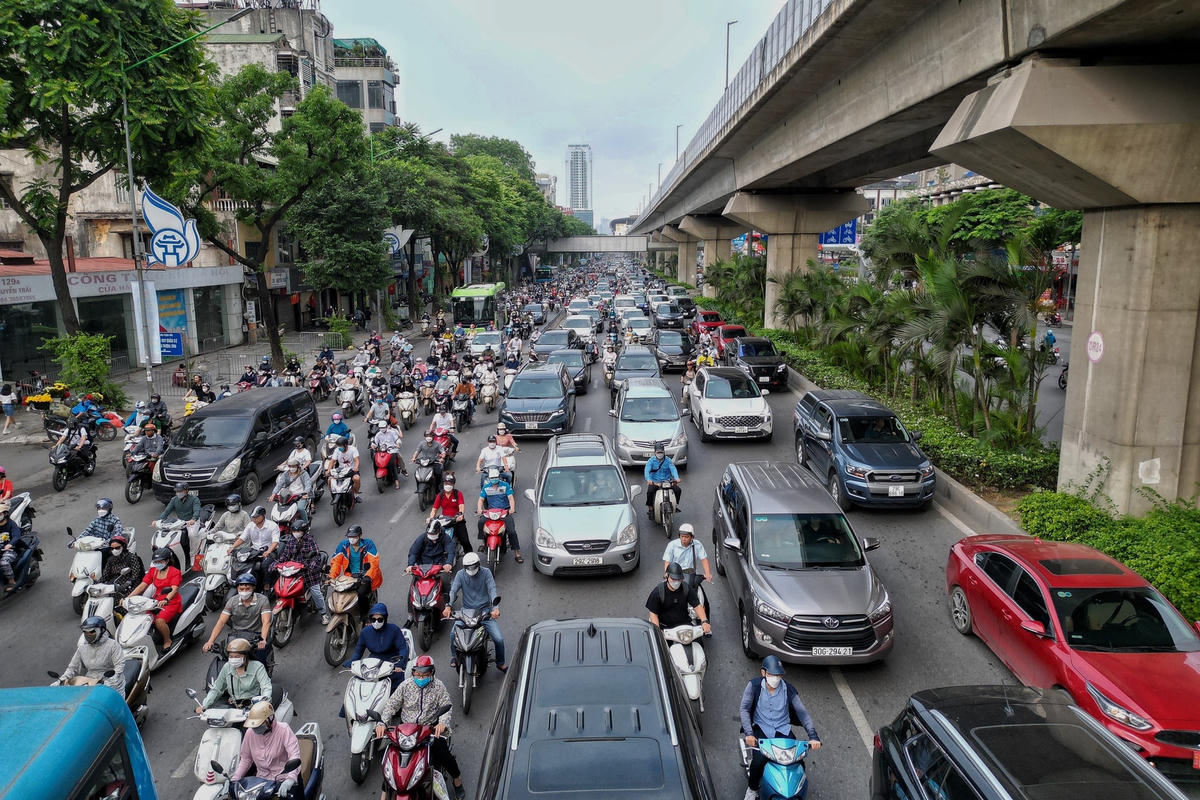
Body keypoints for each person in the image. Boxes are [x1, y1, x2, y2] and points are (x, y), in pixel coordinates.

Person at [375, 655, 466, 800]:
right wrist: (382, 723)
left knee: (443, 754)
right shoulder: (406, 685)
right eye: (417, 674)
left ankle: (457, 779)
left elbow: (446, 706)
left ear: (432, 673)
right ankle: (385, 791)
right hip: (406, 731)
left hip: (428, 730)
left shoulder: (438, 686)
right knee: (391, 762)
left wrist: (442, 723)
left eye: (424, 674)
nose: (421, 677)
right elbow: (391, 705)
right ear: (413, 672)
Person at [739, 655, 822, 800]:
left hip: (783, 730)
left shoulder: (788, 689)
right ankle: (752, 789)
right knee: (758, 761)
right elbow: (744, 709)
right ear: (763, 673)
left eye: (778, 675)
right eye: (772, 674)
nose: (776, 678)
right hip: (762, 730)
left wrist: (813, 736)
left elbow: (802, 713)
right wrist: (749, 734)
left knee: (799, 762)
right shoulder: (754, 686)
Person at [443, 552, 505, 672]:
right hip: (466, 611)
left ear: (478, 565)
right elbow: (453, 591)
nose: (471, 570)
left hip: (484, 611)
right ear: (464, 567)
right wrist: (448, 606)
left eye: (473, 567)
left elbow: (492, 589)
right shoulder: (460, 575)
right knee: (453, 634)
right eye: (468, 567)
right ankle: (454, 657)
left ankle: (500, 662)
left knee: (498, 639)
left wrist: (495, 608)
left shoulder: (486, 573)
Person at [230, 701, 302, 799]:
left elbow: (294, 755)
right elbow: (246, 759)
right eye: (253, 726)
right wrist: (235, 779)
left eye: (259, 725)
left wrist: (291, 778)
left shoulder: (284, 730)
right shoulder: (250, 733)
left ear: (270, 719)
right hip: (261, 783)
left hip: (283, 780)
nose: (255, 729)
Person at [204, 573, 273, 666]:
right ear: (237, 589)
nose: (244, 591)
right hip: (237, 636)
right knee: (227, 659)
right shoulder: (232, 601)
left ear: (253, 588)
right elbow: (221, 622)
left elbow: (266, 622)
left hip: (257, 636)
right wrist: (210, 641)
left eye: (247, 589)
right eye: (241, 589)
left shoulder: (263, 600)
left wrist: (263, 640)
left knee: (260, 663)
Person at [272, 520, 329, 625]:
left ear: (303, 531)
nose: (296, 532)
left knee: (315, 592)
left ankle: (324, 614)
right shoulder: (291, 541)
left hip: (308, 572)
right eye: (294, 530)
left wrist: (311, 566)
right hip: (294, 571)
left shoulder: (309, 540)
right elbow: (285, 555)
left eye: (298, 530)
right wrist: (275, 564)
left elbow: (316, 556)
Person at [127, 548, 183, 651]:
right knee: (143, 617)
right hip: (155, 601)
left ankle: (167, 640)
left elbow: (174, 589)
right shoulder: (153, 571)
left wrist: (166, 599)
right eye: (156, 562)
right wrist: (128, 598)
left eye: (160, 562)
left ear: (167, 561)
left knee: (159, 621)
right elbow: (142, 586)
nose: (158, 564)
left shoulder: (175, 572)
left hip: (170, 602)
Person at [344, 603, 409, 689]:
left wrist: (399, 664)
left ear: (385, 618)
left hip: (392, 662)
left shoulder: (394, 630)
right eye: (373, 619)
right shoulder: (365, 632)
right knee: (358, 684)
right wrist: (352, 662)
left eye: (380, 619)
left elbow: (402, 648)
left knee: (397, 688)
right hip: (373, 663)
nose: (376, 622)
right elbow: (358, 651)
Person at [57, 616, 126, 695]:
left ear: (101, 630)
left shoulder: (113, 645)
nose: (88, 634)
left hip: (113, 685)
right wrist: (61, 680)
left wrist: (111, 681)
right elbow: (73, 667)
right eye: (85, 632)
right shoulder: (82, 647)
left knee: (116, 706)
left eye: (91, 631)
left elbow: (119, 666)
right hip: (90, 683)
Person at [198, 638, 271, 711]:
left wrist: (264, 703)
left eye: (237, 657)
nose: (233, 659)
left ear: (246, 656)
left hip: (253, 706)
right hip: (234, 707)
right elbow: (217, 689)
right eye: (231, 657)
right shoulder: (227, 667)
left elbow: (266, 687)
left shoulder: (258, 666)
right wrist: (204, 705)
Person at [329, 526, 382, 620]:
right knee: (337, 594)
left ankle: (365, 616)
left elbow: (374, 563)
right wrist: (331, 577)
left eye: (354, 536)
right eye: (349, 537)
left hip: (365, 577)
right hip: (350, 578)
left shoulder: (368, 545)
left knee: (361, 594)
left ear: (360, 535)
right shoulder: (343, 546)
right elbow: (336, 562)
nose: (351, 539)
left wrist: (368, 576)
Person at [645, 562, 711, 633]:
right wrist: (658, 631)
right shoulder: (658, 592)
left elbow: (697, 605)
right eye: (673, 579)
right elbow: (653, 613)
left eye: (678, 579)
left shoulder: (686, 588)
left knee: (698, 642)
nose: (676, 582)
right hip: (665, 628)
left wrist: (704, 621)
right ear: (667, 576)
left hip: (684, 625)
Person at [477, 468, 521, 564]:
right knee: (481, 523)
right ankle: (483, 542)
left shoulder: (505, 486)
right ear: (489, 478)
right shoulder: (486, 487)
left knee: (512, 531)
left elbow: (511, 498)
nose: (494, 479)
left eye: (495, 477)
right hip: (491, 512)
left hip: (504, 512)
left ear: (499, 477)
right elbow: (481, 500)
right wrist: (480, 509)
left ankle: (517, 553)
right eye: (492, 478)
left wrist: (512, 508)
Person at [157, 481, 201, 566]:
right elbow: (166, 511)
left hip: (192, 522)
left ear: (186, 491)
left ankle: (193, 555)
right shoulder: (174, 500)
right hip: (180, 523)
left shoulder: (194, 499)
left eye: (180, 491)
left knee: (192, 535)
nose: (178, 493)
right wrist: (159, 520)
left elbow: (197, 511)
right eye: (177, 491)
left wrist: (193, 519)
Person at [232, 506, 280, 582]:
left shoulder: (273, 526)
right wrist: (232, 547)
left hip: (269, 551)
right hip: (254, 551)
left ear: (263, 516)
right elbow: (242, 538)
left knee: (264, 565)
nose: (254, 519)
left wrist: (268, 551)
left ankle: (266, 585)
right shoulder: (250, 525)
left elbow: (275, 542)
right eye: (253, 517)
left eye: (256, 517)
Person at [429, 474, 471, 555]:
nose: (447, 485)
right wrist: (430, 518)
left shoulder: (458, 494)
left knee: (465, 540)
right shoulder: (440, 495)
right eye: (446, 484)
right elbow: (434, 509)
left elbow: (461, 506)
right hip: (444, 521)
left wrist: (460, 514)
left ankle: (470, 556)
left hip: (456, 520)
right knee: (433, 538)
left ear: (453, 485)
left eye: (450, 484)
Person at [99, 533, 144, 598]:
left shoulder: (131, 557)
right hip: (114, 585)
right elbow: (105, 576)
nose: (114, 550)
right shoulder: (110, 560)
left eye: (117, 548)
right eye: (112, 548)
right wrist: (96, 584)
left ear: (123, 546)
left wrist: (127, 584)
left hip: (130, 585)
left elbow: (135, 576)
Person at [271, 458, 311, 524]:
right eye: (290, 466)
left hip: (301, 495)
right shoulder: (286, 474)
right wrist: (273, 494)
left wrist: (306, 493)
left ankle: (305, 524)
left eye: (293, 466)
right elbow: (279, 485)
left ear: (297, 466)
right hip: (289, 496)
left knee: (300, 508)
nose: (291, 468)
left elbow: (308, 484)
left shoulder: (304, 473)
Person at [644, 443, 681, 512]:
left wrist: (677, 478)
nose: (660, 454)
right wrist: (648, 480)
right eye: (658, 452)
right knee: (650, 491)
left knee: (678, 490)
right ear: (655, 452)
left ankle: (675, 505)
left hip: (667, 482)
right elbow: (646, 471)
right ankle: (650, 507)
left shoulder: (668, 460)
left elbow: (673, 469)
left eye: (661, 452)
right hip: (655, 482)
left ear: (664, 452)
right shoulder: (651, 461)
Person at [371, 421, 407, 489]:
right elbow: (375, 443)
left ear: (386, 426)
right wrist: (373, 446)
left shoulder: (392, 432)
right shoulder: (378, 434)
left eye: (383, 427)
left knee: (394, 463)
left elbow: (397, 440)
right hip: (382, 451)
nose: (382, 429)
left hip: (392, 450)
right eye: (381, 428)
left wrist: (398, 444)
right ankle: (375, 474)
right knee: (374, 458)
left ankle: (398, 480)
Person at [325, 435, 362, 501]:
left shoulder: (353, 449)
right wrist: (328, 470)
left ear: (345, 445)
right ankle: (333, 495)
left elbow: (357, 460)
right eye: (338, 446)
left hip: (351, 470)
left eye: (340, 446)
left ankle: (356, 495)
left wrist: (356, 467)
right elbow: (332, 461)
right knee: (329, 480)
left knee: (357, 479)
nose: (339, 448)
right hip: (340, 471)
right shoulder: (337, 450)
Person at [0, 504, 27, 594]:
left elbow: (16, 536)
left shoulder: (11, 524)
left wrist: (10, 544)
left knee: (4, 562)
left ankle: (11, 581)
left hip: (12, 550)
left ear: (5, 514)